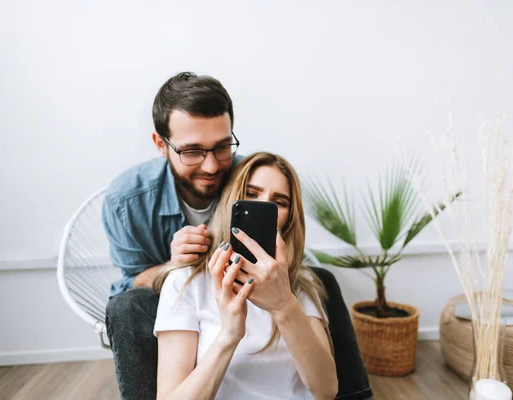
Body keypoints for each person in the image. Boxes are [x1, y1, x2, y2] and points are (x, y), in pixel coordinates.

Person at [103, 72, 373, 400]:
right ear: (161, 144)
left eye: (222, 147)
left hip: (254, 281)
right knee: (126, 307)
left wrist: (284, 298)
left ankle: (356, 393)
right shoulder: (127, 200)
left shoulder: (247, 174)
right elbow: (128, 285)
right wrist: (174, 266)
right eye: (192, 151)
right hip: (172, 289)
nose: (213, 165)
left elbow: (284, 230)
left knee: (318, 279)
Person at [153, 152, 338, 399]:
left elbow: (327, 390)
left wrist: (284, 305)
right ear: (231, 200)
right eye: (251, 194)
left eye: (279, 202)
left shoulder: (301, 285)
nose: (263, 205)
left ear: (289, 219)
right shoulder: (185, 282)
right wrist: (229, 335)